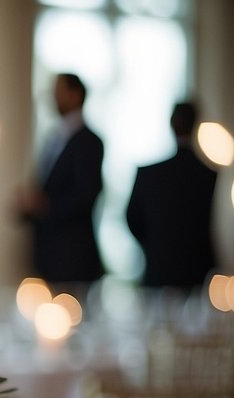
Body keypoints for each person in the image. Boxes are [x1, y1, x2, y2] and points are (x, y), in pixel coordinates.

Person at [16, 73, 105, 286]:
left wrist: (45, 206)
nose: (54, 96)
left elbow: (87, 193)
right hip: (46, 255)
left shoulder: (89, 142)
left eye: (59, 91)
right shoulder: (53, 138)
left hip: (73, 257)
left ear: (75, 95)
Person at [126, 101, 218, 290]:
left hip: (159, 269)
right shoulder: (207, 174)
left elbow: (131, 218)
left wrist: (155, 245)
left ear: (171, 124)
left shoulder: (149, 175)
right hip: (197, 271)